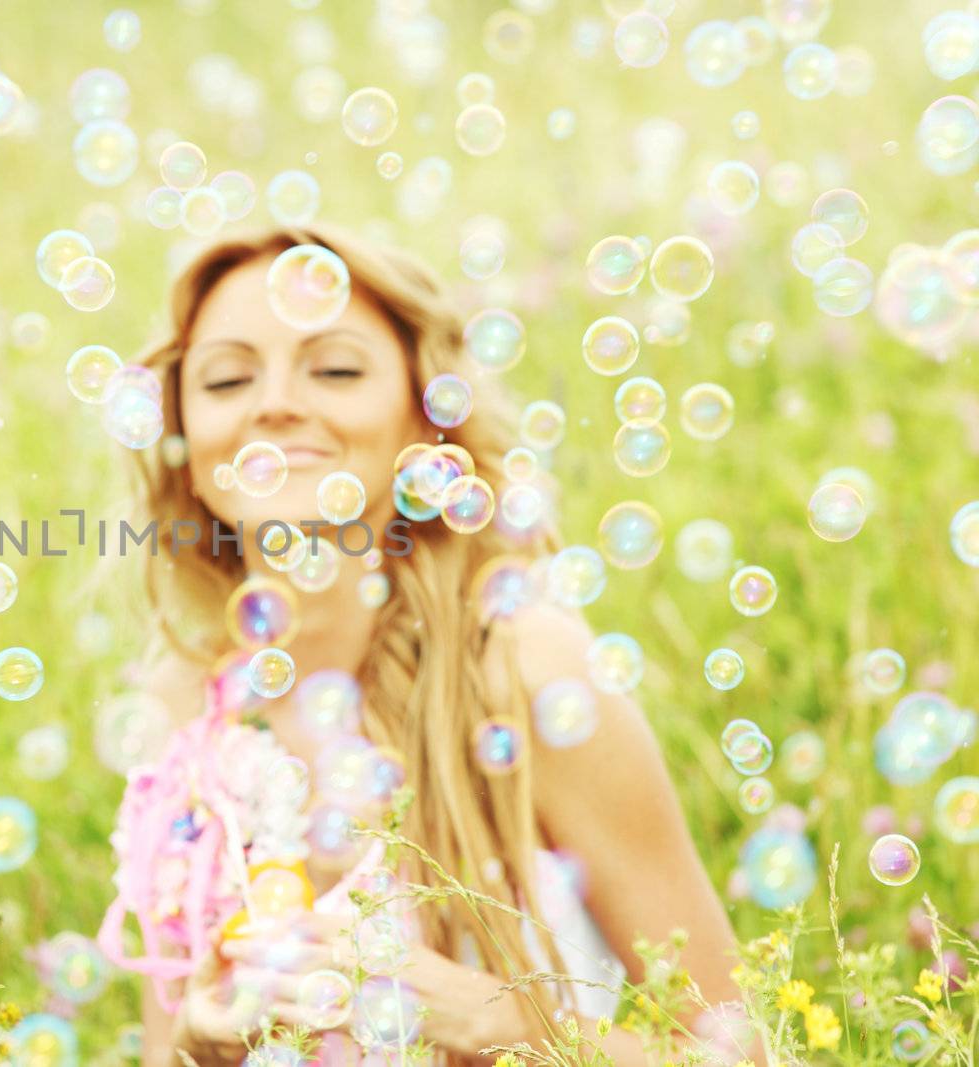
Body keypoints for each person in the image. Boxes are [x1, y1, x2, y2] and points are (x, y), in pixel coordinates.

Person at [102, 223, 749, 1067]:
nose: (275, 403)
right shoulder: (192, 707)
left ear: (425, 413)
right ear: (186, 436)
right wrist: (196, 1045)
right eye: (227, 378)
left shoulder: (521, 669)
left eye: (334, 368)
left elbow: (742, 1050)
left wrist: (512, 1029)